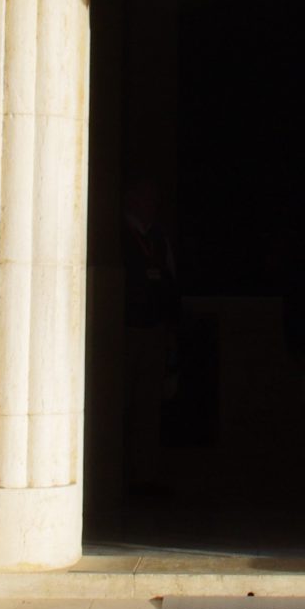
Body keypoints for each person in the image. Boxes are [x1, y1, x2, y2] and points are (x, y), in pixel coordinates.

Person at [121, 177, 179, 497]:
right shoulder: (118, 234)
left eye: (153, 199)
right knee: (123, 404)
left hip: (154, 330)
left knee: (149, 406)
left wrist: (170, 330)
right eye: (144, 197)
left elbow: (170, 283)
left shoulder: (158, 238)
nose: (150, 204)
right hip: (126, 332)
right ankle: (119, 476)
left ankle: (145, 477)